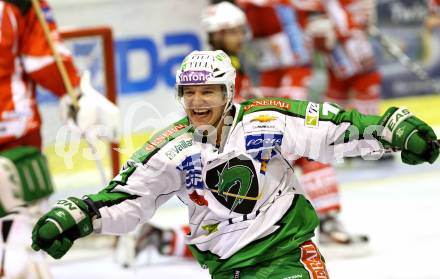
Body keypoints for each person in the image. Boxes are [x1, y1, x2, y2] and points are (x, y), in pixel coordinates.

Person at [31, 49, 438, 278]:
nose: (197, 102)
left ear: (229, 91)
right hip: (228, 273)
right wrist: (83, 216)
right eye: (188, 93)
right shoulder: (170, 148)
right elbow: (128, 197)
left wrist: (389, 130)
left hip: (286, 256)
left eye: (208, 91)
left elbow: (334, 130)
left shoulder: (268, 117)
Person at [0, 0, 119, 278]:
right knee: (20, 239)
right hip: (12, 135)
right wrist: (74, 91)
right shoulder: (20, 4)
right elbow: (42, 58)